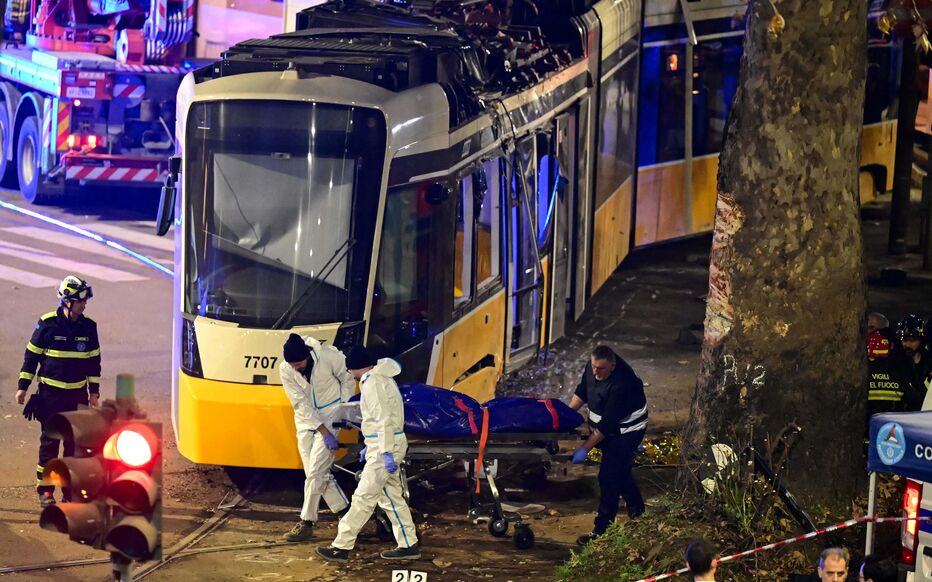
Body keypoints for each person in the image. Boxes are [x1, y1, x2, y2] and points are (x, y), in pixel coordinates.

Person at [316, 346, 419, 562]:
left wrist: (385, 451)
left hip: (385, 448)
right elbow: (383, 419)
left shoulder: (372, 383)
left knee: (363, 497)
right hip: (385, 445)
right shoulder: (381, 378)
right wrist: (372, 444)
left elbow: (382, 420)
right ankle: (409, 543)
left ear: (354, 368)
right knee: (391, 497)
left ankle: (341, 546)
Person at [16, 276, 101, 507]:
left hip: (77, 397)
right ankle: (45, 491)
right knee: (50, 446)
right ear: (67, 301)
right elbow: (31, 357)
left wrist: (94, 393)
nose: (84, 304)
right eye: (80, 300)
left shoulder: (89, 327)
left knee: (74, 447)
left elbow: (94, 362)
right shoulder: (47, 324)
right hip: (50, 397)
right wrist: (23, 387)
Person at [569, 345, 648, 546]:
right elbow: (582, 391)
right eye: (594, 367)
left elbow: (607, 425)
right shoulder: (594, 366)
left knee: (608, 477)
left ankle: (602, 529)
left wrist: (585, 448)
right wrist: (566, 416)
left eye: (601, 369)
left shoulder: (623, 383)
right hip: (607, 428)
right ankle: (638, 510)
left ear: (612, 366)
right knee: (619, 472)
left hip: (625, 433)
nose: (596, 373)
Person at [278, 333, 354, 541]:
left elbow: (347, 379)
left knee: (314, 473)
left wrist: (345, 411)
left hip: (332, 416)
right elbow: (299, 403)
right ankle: (345, 512)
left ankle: (307, 522)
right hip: (305, 423)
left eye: (298, 363)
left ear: (308, 356)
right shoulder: (286, 369)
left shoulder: (329, 357)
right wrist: (322, 431)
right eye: (292, 364)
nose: (296, 368)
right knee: (317, 472)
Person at [866, 331, 906, 426]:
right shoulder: (898, 376)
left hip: (867, 431)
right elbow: (915, 400)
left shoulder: (863, 377)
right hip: (894, 432)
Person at [892, 315, 931, 411]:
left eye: (912, 340)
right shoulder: (895, 362)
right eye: (904, 340)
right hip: (904, 415)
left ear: (921, 340)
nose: (907, 344)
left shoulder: (929, 362)